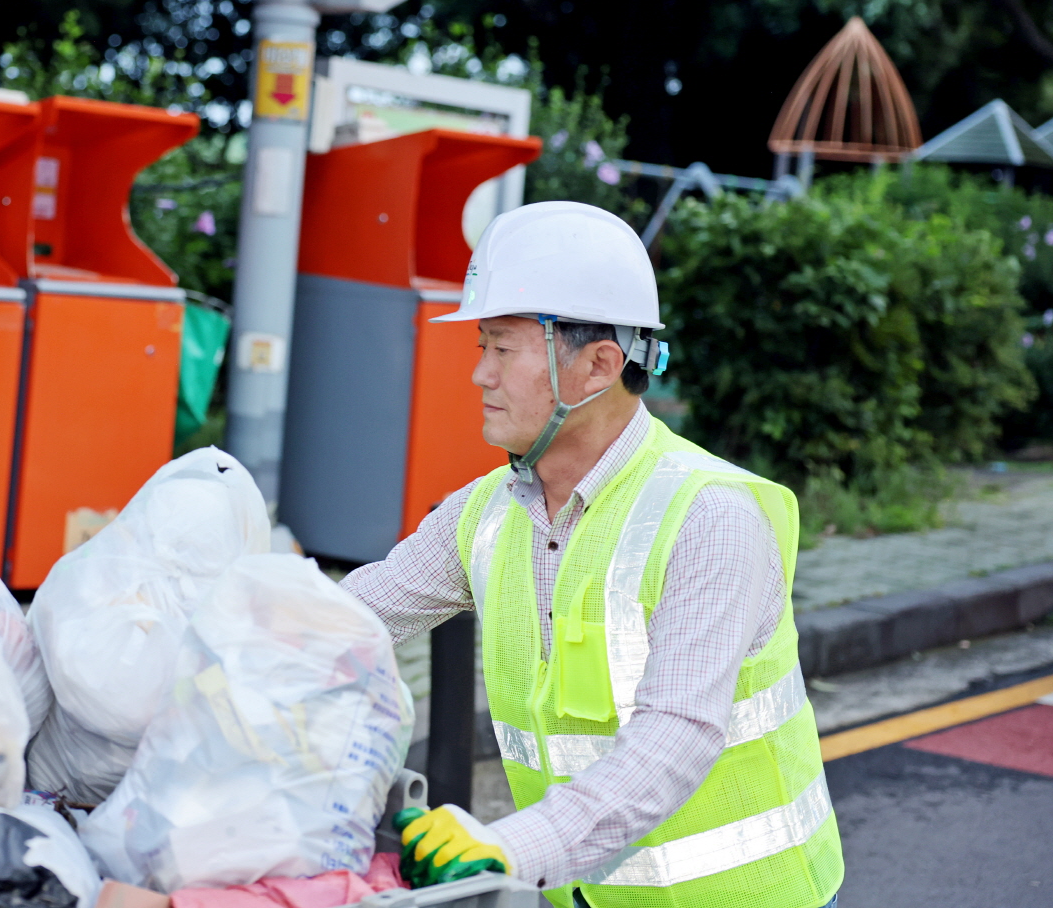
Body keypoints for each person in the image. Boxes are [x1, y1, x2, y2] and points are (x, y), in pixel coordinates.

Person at [340, 202, 843, 908]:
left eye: (502, 348)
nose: (479, 375)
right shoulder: (486, 513)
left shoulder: (710, 516)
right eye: (481, 346)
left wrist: (512, 847)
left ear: (598, 365)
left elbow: (675, 739)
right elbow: (348, 616)